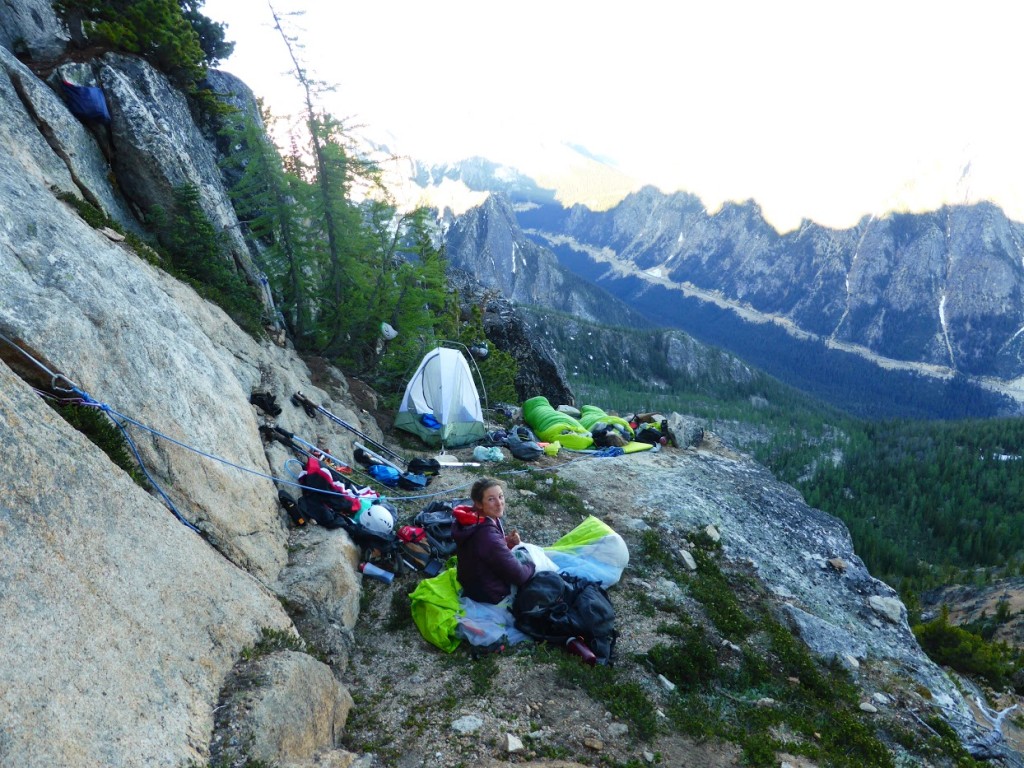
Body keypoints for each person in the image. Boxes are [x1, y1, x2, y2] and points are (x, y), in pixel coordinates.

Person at [451, 477, 535, 604]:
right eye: (491, 499)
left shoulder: (472, 518)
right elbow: (520, 576)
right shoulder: (488, 536)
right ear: (479, 503)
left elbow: (481, 548)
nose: (499, 503)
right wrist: (534, 564)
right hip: (490, 594)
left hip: (472, 583)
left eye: (500, 496)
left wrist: (507, 541)